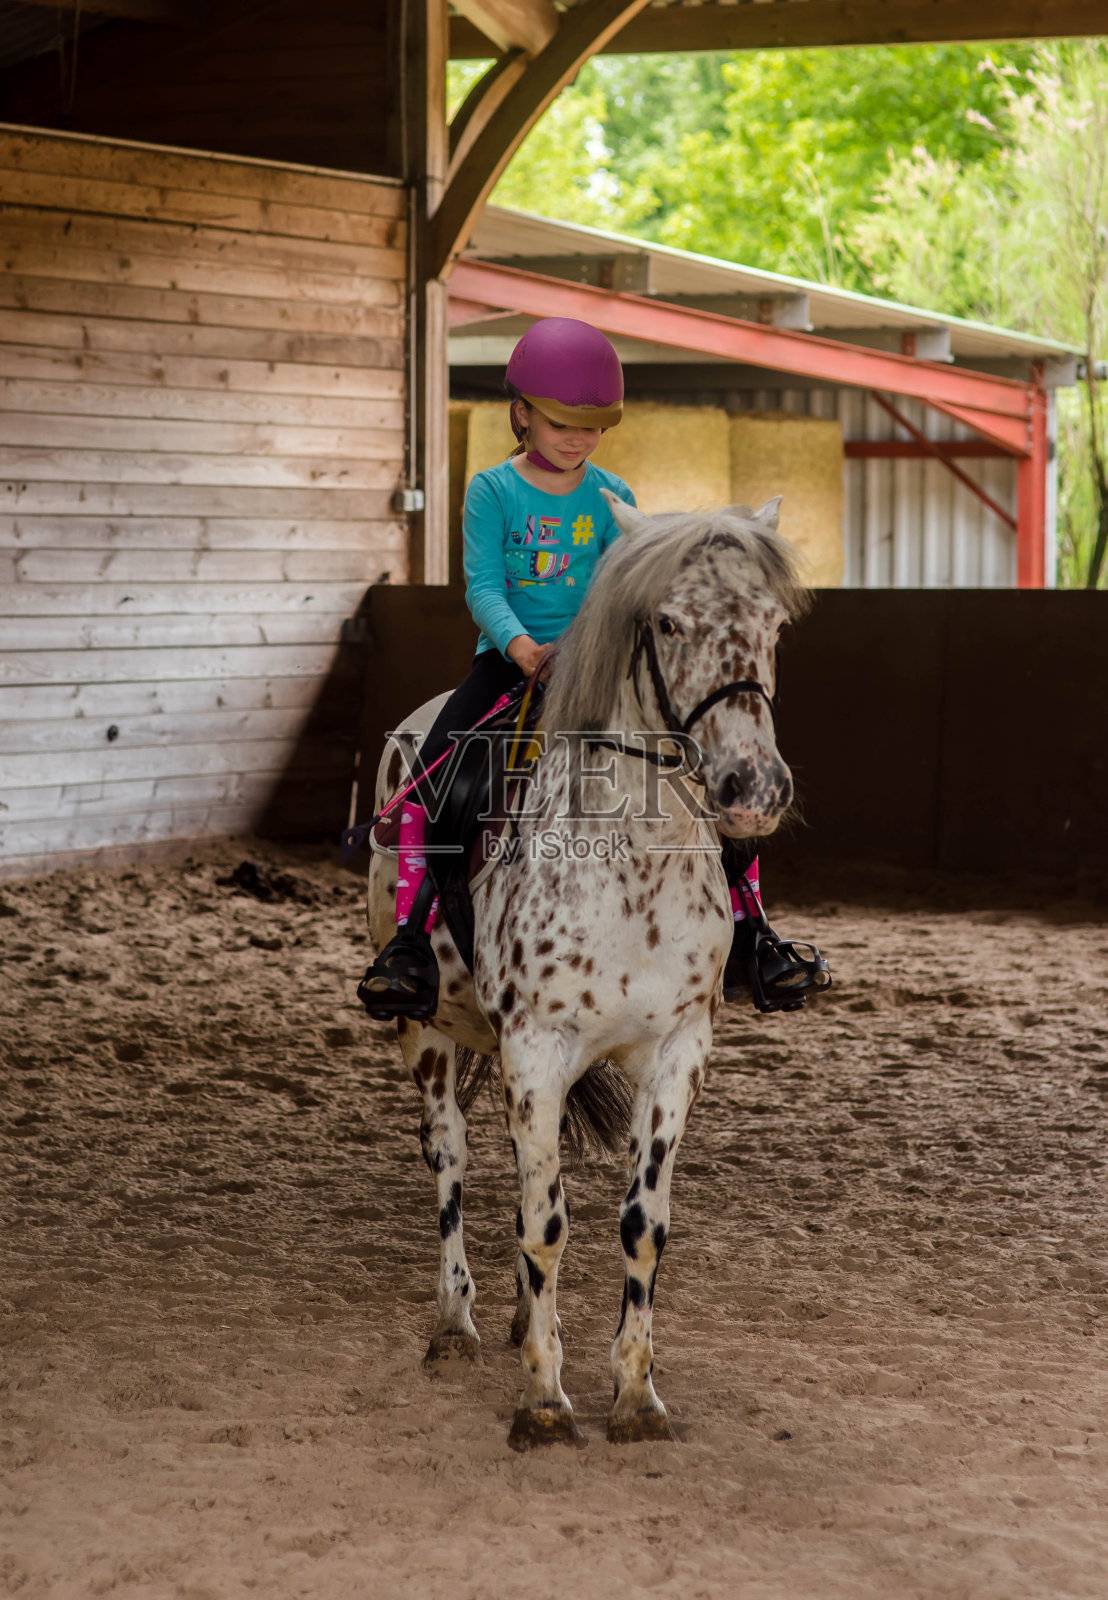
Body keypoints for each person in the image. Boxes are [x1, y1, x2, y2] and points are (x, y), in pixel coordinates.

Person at [359, 317, 829, 1020]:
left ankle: (751, 932)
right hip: (510, 662)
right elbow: (483, 586)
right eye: (559, 423)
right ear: (521, 414)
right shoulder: (492, 491)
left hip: (594, 667)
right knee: (434, 773)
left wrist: (582, 652)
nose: (577, 439)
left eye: (591, 427)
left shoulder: (613, 494)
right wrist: (523, 650)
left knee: (706, 776)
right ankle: (410, 942)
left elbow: (622, 592)